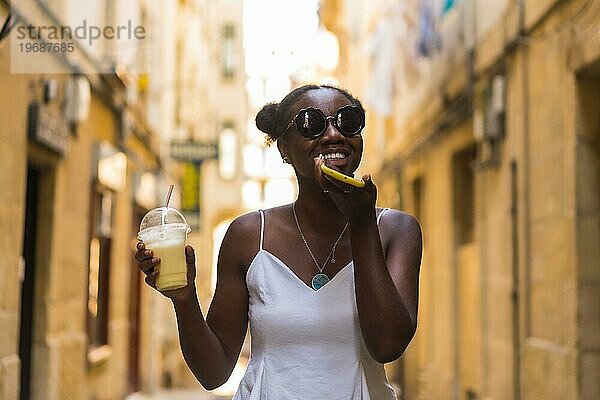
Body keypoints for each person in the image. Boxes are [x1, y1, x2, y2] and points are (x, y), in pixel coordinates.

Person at [135, 84, 422, 399]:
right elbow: (213, 373)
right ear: (285, 149)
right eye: (312, 124)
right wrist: (184, 298)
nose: (333, 135)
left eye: (347, 121)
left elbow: (387, 345)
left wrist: (361, 222)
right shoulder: (248, 236)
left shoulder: (395, 229)